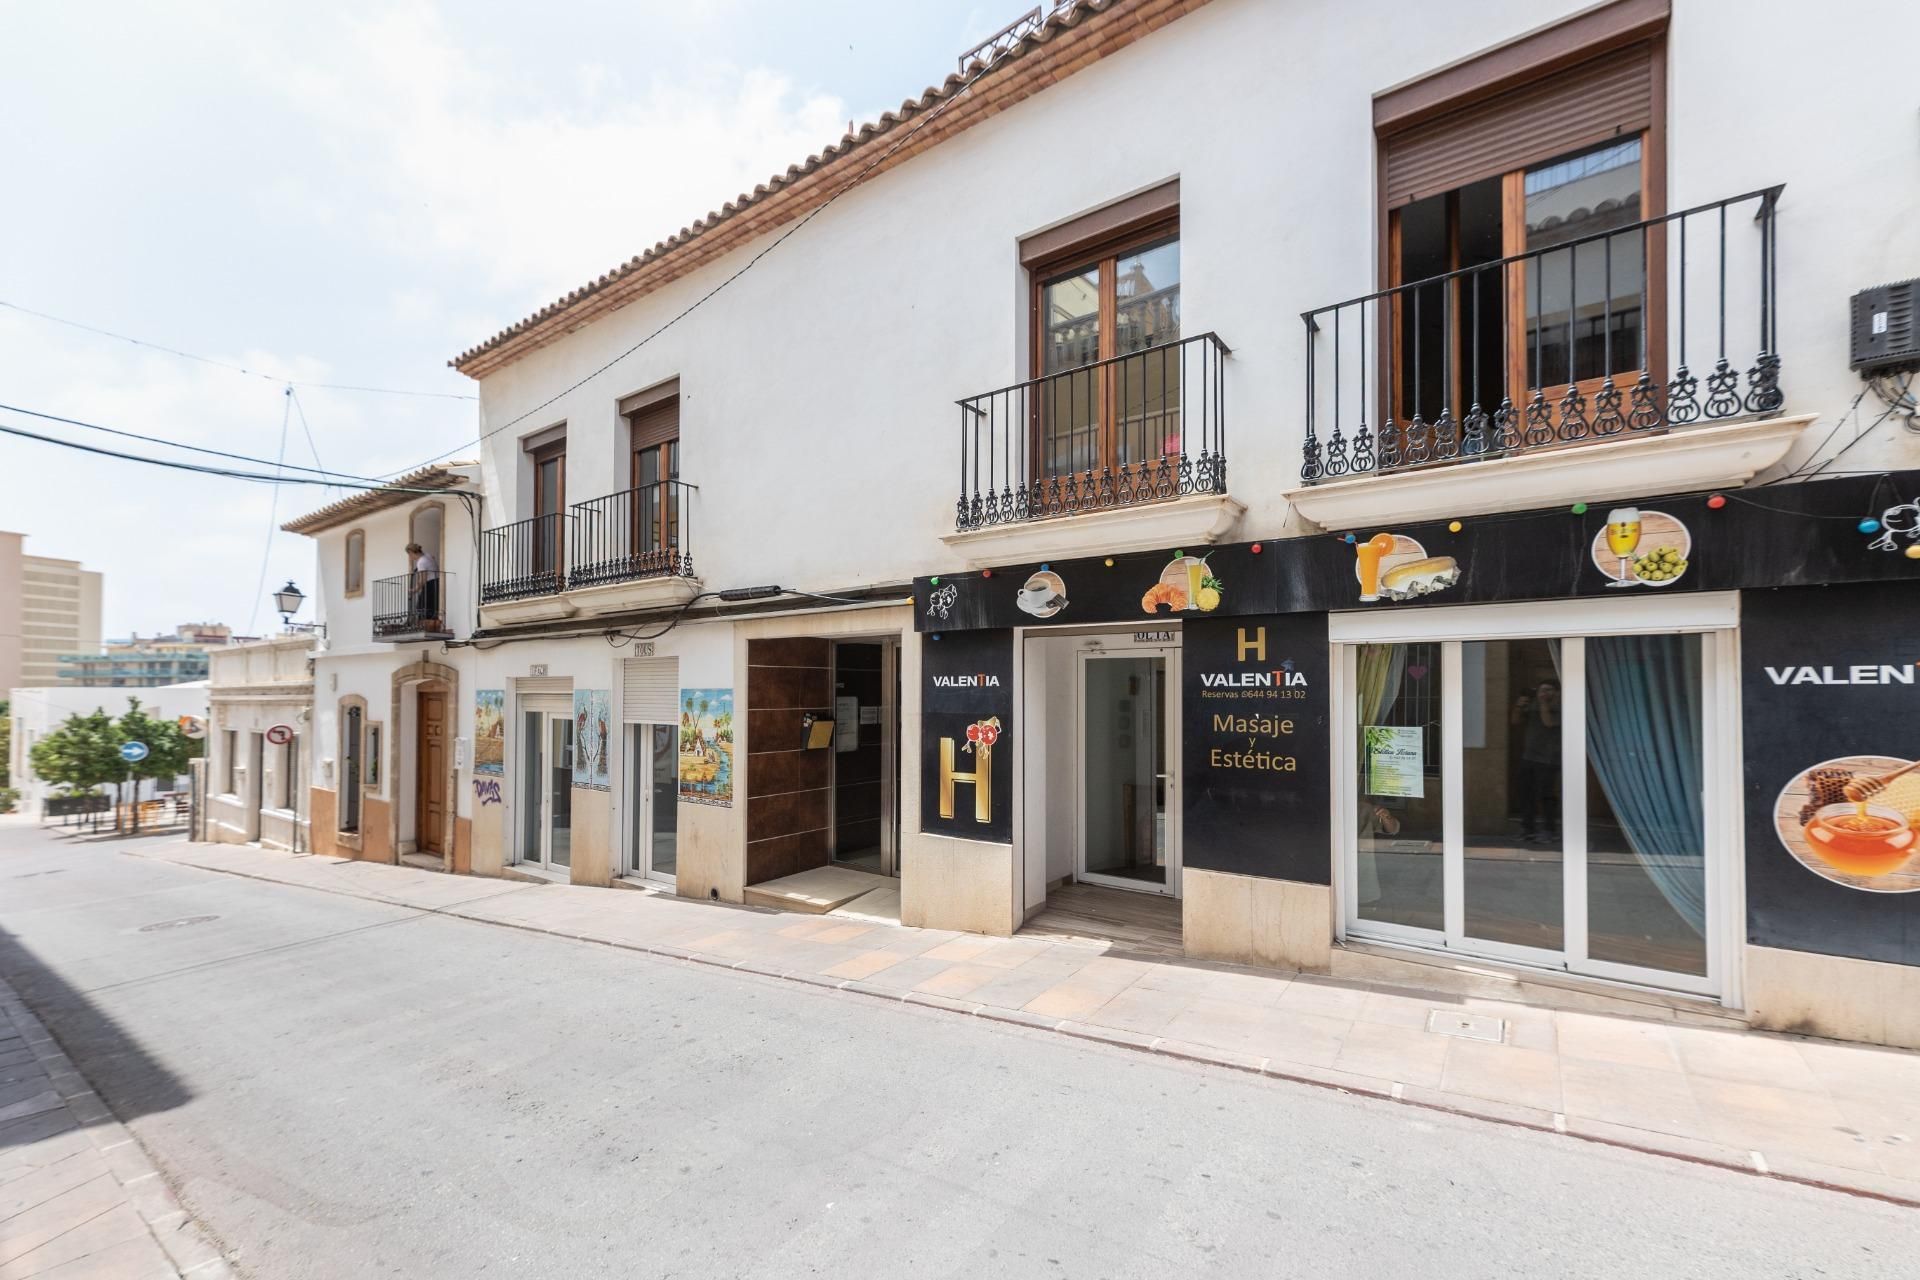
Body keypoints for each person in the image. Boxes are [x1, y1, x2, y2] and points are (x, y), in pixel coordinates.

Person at [1511, 679, 1560, 842]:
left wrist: (1543, 704)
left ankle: (1550, 831)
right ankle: (1528, 829)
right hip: (1529, 756)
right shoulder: (1533, 705)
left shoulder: (1560, 706)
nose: (1545, 693)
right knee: (1526, 794)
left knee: (1546, 796)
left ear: (1557, 692)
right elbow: (1515, 721)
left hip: (1548, 758)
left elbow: (1548, 723)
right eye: (1541, 690)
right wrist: (1519, 705)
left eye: (1549, 690)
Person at [405, 542, 439, 625]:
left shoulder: (421, 562)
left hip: (430, 584)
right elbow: (433, 559)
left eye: (409, 554)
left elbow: (423, 580)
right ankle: (432, 625)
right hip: (437, 583)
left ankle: (424, 627)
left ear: (411, 552)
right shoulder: (427, 556)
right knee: (432, 606)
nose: (410, 557)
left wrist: (414, 590)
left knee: (421, 607)